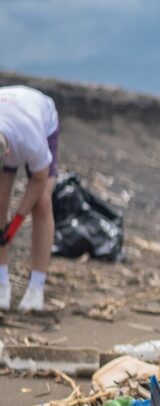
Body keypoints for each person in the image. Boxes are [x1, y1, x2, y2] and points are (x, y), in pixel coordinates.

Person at [0, 85, 60, 312]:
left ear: (6, 154)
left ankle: (36, 287)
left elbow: (38, 181)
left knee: (42, 203)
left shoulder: (31, 140)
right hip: (10, 115)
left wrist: (14, 225)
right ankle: (1, 281)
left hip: (41, 120)